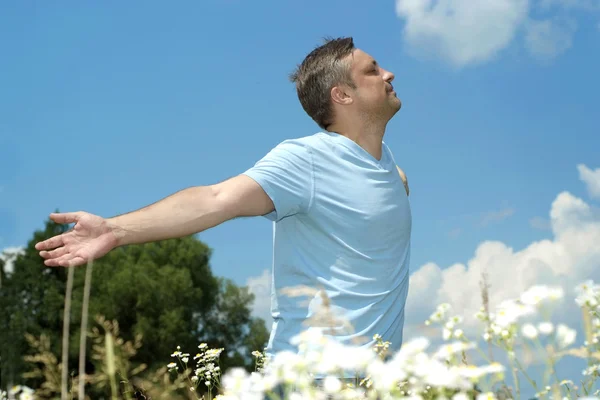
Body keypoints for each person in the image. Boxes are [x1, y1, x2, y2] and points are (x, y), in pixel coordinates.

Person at [35, 36, 412, 383]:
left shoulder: (393, 174)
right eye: (372, 70)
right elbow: (215, 199)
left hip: (377, 383)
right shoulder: (308, 160)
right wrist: (114, 230)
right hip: (313, 381)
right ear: (342, 95)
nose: (388, 74)